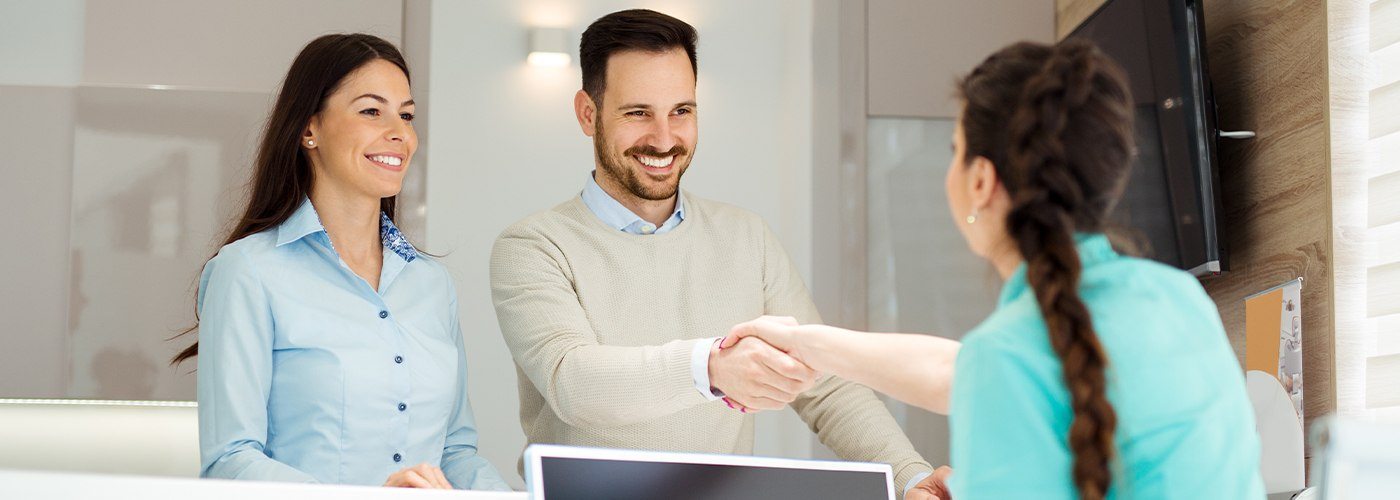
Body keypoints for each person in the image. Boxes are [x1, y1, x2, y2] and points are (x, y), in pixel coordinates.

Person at [724, 40, 1265, 499]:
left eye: (955, 149)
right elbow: (954, 372)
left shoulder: (1009, 355)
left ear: (981, 181)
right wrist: (804, 343)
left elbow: (987, 370)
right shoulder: (1179, 299)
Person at [489, 9, 949, 499]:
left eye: (681, 111)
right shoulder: (534, 246)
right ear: (587, 113)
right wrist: (710, 367)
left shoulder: (747, 238)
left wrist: (910, 476)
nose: (664, 139)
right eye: (638, 112)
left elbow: (826, 385)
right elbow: (573, 382)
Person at [171, 33, 509, 491]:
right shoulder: (247, 271)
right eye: (372, 110)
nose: (400, 133)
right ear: (309, 129)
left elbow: (455, 452)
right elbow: (231, 460)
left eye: (406, 115)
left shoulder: (431, 284)